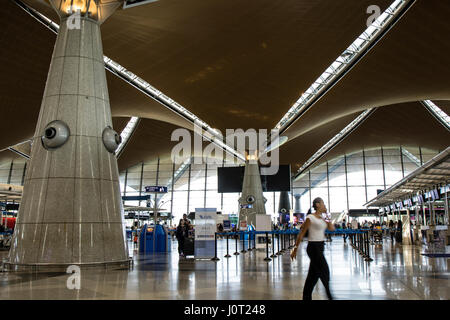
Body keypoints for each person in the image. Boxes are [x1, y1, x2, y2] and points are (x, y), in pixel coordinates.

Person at [290, 197, 335, 300]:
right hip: (313, 248)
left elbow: (332, 229)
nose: (324, 205)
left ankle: (306, 296)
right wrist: (295, 250)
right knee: (325, 272)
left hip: (320, 247)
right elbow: (301, 234)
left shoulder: (323, 218)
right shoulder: (310, 217)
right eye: (323, 203)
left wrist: (327, 214)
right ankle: (330, 296)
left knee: (313, 276)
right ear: (317, 204)